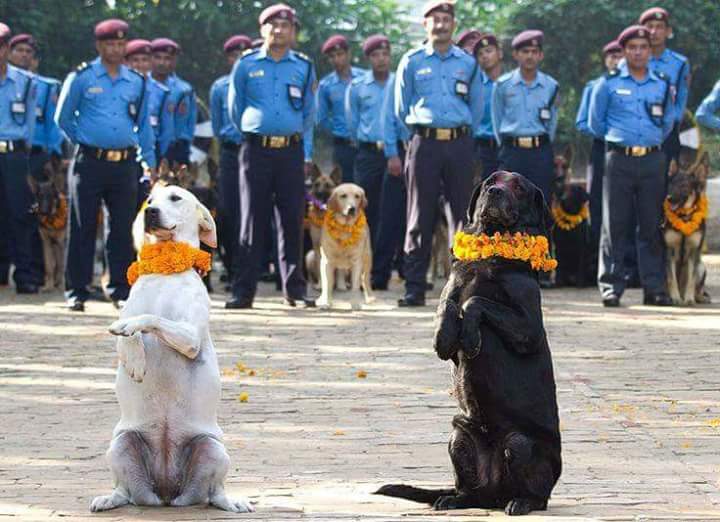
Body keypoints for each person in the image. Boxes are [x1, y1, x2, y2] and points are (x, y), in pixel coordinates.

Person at [55, 18, 156, 311]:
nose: (115, 48)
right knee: (83, 226)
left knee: (122, 228)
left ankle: (120, 289)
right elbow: (63, 118)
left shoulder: (136, 81)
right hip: (89, 162)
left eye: (120, 43)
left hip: (125, 164)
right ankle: (77, 291)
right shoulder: (83, 77)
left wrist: (148, 161)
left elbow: (144, 125)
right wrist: (86, 140)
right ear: (99, 46)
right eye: (109, 43)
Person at [226, 3, 316, 309]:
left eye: (286, 26)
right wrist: (254, 133)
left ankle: (294, 289)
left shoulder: (303, 66)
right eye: (273, 25)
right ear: (262, 29)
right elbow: (235, 109)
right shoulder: (246, 64)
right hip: (256, 149)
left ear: (293, 32)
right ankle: (244, 290)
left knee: (291, 218)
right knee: (252, 219)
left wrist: (306, 153)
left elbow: (308, 114)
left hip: (290, 151)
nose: (279, 31)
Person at [394, 0, 483, 307]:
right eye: (435, 19)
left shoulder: (468, 63)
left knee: (463, 215)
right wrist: (414, 141)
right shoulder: (412, 60)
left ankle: (462, 287)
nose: (441, 24)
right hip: (424, 143)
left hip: (459, 143)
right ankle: (415, 287)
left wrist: (463, 135)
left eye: (447, 19)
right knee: (419, 215)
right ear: (425, 24)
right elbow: (400, 108)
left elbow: (477, 106)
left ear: (453, 25)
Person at [588, 25, 674, 307]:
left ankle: (655, 287)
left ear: (650, 51)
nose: (638, 52)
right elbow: (596, 124)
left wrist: (649, 145)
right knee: (615, 224)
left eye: (643, 47)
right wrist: (621, 144)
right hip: (619, 160)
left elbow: (667, 122)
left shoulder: (661, 83)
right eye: (632, 47)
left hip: (652, 159)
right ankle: (611, 286)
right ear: (624, 51)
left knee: (651, 225)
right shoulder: (608, 83)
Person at [345, 34, 406, 290]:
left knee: (394, 214)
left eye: (385, 54)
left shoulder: (399, 82)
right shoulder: (358, 87)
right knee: (366, 213)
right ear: (368, 58)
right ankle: (366, 272)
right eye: (375, 55)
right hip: (368, 154)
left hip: (397, 154)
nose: (381, 59)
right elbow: (351, 123)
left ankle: (392, 271)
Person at [492, 30, 559, 202]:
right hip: (512, 153)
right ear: (515, 54)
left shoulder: (551, 86)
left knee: (541, 203)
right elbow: (497, 119)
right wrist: (507, 146)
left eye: (534, 52)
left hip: (540, 152)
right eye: (525, 51)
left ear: (541, 55)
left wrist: (542, 143)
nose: (530, 56)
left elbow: (552, 122)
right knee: (508, 203)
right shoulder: (503, 85)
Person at [0, 23, 40, 293]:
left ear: (6, 48)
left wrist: (27, 159)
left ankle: (25, 276)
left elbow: (29, 124)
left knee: (20, 214)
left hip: (14, 153)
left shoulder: (25, 82)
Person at [210, 34, 252, 284]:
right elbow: (216, 125)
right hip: (230, 151)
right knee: (228, 211)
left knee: (254, 210)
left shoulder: (259, 83)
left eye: (244, 54)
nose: (239, 59)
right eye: (235, 55)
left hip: (254, 150)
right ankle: (232, 265)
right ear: (228, 58)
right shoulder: (219, 87)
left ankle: (251, 268)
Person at [575, 40, 623, 249]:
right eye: (612, 57)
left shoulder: (633, 85)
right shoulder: (594, 86)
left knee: (624, 200)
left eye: (620, 56)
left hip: (625, 151)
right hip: (601, 147)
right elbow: (582, 122)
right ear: (605, 60)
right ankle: (596, 252)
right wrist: (606, 132)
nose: (616, 61)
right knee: (597, 200)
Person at [639, 7, 690, 163]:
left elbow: (682, 97)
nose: (654, 32)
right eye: (649, 26)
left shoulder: (680, 63)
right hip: (637, 129)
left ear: (668, 31)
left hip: (667, 133)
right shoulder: (632, 60)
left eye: (659, 27)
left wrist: (672, 121)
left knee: (665, 181)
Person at [125, 38, 168, 208]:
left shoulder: (161, 92)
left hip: (152, 153)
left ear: (151, 62)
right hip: (126, 151)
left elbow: (166, 130)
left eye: (144, 60)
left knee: (149, 204)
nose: (140, 64)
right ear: (126, 62)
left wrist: (160, 160)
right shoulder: (121, 87)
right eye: (135, 60)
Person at [317, 34, 364, 183]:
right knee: (344, 188)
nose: (337, 59)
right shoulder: (326, 85)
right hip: (343, 146)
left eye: (340, 54)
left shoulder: (365, 78)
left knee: (369, 189)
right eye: (332, 56)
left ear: (348, 54)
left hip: (367, 145)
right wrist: (339, 129)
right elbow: (321, 118)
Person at [150, 37, 196, 165]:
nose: (162, 63)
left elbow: (190, 123)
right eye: (157, 57)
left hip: (177, 150)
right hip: (149, 147)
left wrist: (184, 144)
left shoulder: (185, 89)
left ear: (175, 61)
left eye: (167, 58)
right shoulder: (142, 86)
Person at [472, 32, 503, 182]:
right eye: (480, 54)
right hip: (482, 149)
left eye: (489, 51)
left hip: (508, 148)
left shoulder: (510, 84)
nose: (485, 56)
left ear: (499, 53)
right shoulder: (474, 87)